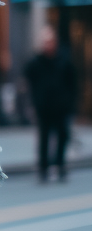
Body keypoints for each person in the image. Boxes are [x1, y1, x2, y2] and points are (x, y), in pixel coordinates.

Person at [24, 25, 77, 182]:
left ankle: (60, 165)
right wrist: (34, 101)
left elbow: (72, 83)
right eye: (45, 42)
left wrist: (71, 103)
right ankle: (43, 168)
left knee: (62, 137)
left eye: (50, 41)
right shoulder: (36, 62)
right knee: (44, 138)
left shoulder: (64, 61)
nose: (48, 45)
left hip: (61, 107)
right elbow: (29, 81)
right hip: (44, 107)